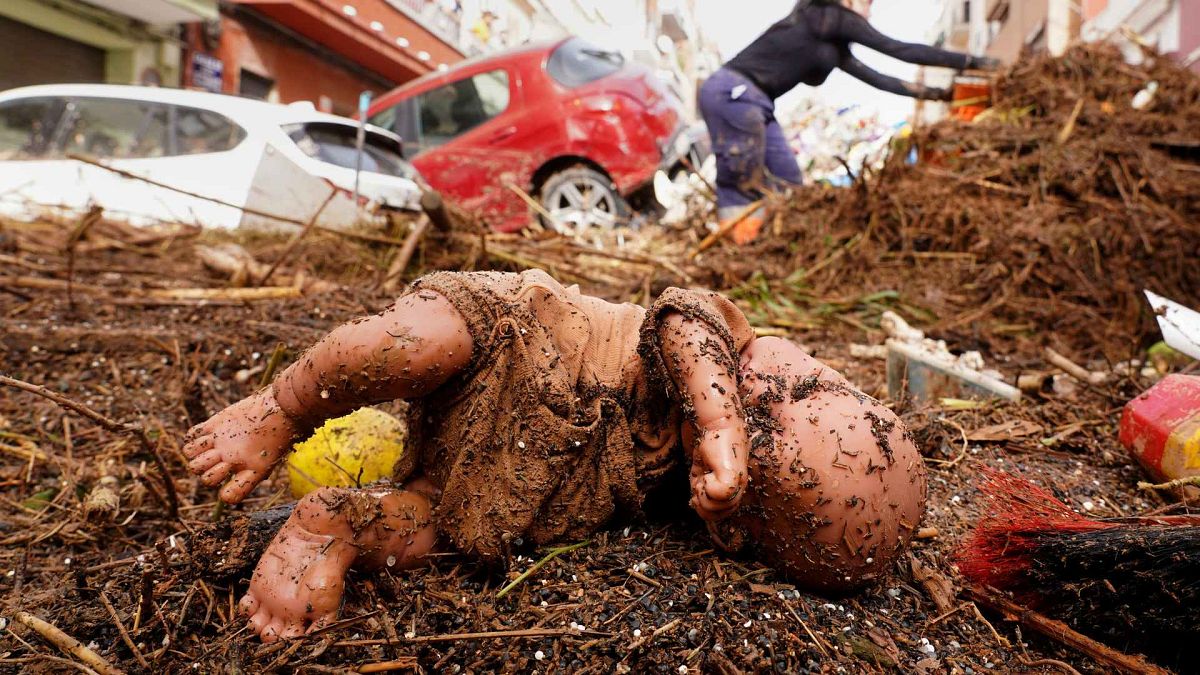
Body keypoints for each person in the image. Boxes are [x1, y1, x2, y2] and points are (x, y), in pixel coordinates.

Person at [182, 270, 926, 642]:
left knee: (437, 532)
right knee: (409, 342)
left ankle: (332, 525)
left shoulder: (689, 500)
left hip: (500, 480)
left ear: (732, 526)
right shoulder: (715, 350)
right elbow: (681, 312)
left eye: (772, 410)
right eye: (809, 382)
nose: (775, 379)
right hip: (507, 333)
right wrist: (722, 412)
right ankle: (280, 406)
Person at [700, 0, 1000, 244]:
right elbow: (900, 49)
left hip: (759, 100)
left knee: (788, 180)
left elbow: (881, 80)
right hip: (733, 91)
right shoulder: (828, 15)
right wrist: (972, 62)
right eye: (868, 2)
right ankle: (736, 249)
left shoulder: (833, 43)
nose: (870, 10)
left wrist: (941, 95)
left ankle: (773, 243)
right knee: (741, 176)